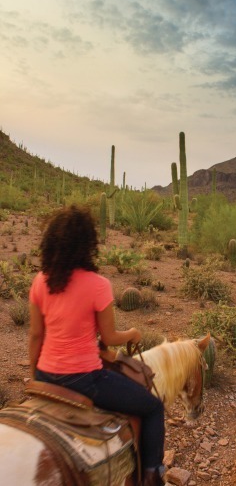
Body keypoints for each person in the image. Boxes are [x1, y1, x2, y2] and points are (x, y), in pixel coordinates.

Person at [29, 205, 165, 486]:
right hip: (85, 379)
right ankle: (153, 474)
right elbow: (110, 337)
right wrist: (133, 333)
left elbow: (35, 337)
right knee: (152, 408)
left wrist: (37, 377)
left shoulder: (41, 281)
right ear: (88, 243)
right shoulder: (98, 285)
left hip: (45, 376)